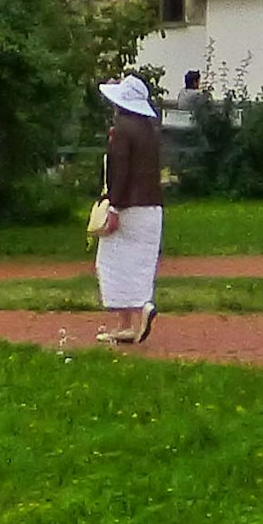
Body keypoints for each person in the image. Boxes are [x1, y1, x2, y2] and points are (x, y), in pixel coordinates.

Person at [95, 71, 166, 345]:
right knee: (139, 262)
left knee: (111, 262)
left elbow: (121, 171)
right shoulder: (150, 130)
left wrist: (114, 206)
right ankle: (137, 313)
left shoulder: (123, 130)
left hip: (130, 207)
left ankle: (128, 318)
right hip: (152, 208)